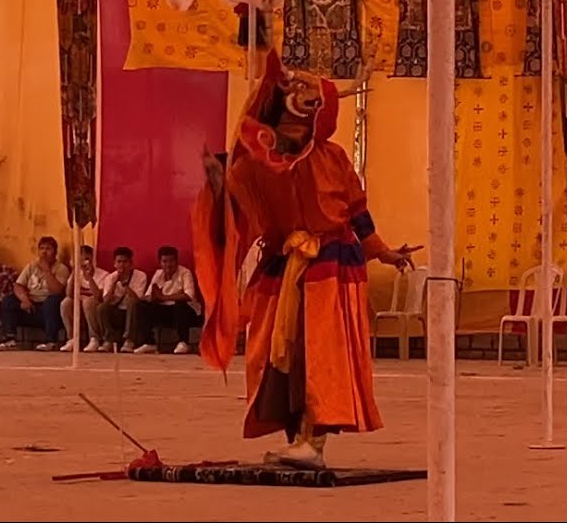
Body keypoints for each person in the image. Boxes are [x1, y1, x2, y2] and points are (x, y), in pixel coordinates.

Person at [192, 50, 418, 469]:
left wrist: (383, 252)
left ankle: (314, 441)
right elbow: (239, 207)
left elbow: (355, 210)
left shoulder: (331, 157)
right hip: (283, 263)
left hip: (329, 263)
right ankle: (296, 437)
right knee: (277, 353)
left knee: (320, 354)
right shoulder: (260, 163)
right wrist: (219, 183)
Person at [0, 236, 69, 351]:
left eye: (48, 249)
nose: (44, 252)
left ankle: (51, 341)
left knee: (53, 301)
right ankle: (9, 340)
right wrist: (25, 300)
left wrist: (46, 270)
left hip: (49, 308)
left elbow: (56, 291)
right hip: (30, 305)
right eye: (42, 248)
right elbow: (18, 286)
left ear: (55, 252)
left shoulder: (61, 268)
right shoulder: (31, 266)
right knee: (8, 300)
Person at [131, 246, 202, 355]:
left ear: (177, 261)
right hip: (166, 311)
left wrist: (163, 297)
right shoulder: (158, 274)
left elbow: (188, 295)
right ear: (160, 262)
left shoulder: (185, 273)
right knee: (141, 305)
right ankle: (149, 343)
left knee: (180, 304)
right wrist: (154, 297)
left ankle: (183, 342)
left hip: (187, 312)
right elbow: (148, 296)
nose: (168, 264)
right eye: (165, 261)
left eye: (171, 261)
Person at [59, 245, 111, 352]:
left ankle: (94, 339)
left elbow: (98, 296)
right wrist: (74, 271)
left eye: (86, 258)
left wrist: (89, 278)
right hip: (79, 304)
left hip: (94, 305)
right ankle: (72, 339)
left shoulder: (103, 275)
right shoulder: (76, 273)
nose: (83, 261)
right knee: (66, 303)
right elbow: (69, 294)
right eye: (80, 258)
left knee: (88, 301)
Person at [98, 247, 149, 352]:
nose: (121, 265)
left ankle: (129, 340)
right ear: (114, 264)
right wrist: (113, 285)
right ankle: (109, 340)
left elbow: (137, 300)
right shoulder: (110, 278)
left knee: (132, 302)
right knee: (101, 308)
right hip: (117, 311)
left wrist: (125, 284)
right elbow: (106, 301)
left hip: (134, 312)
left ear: (131, 263)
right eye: (119, 262)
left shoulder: (140, 276)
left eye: (125, 262)